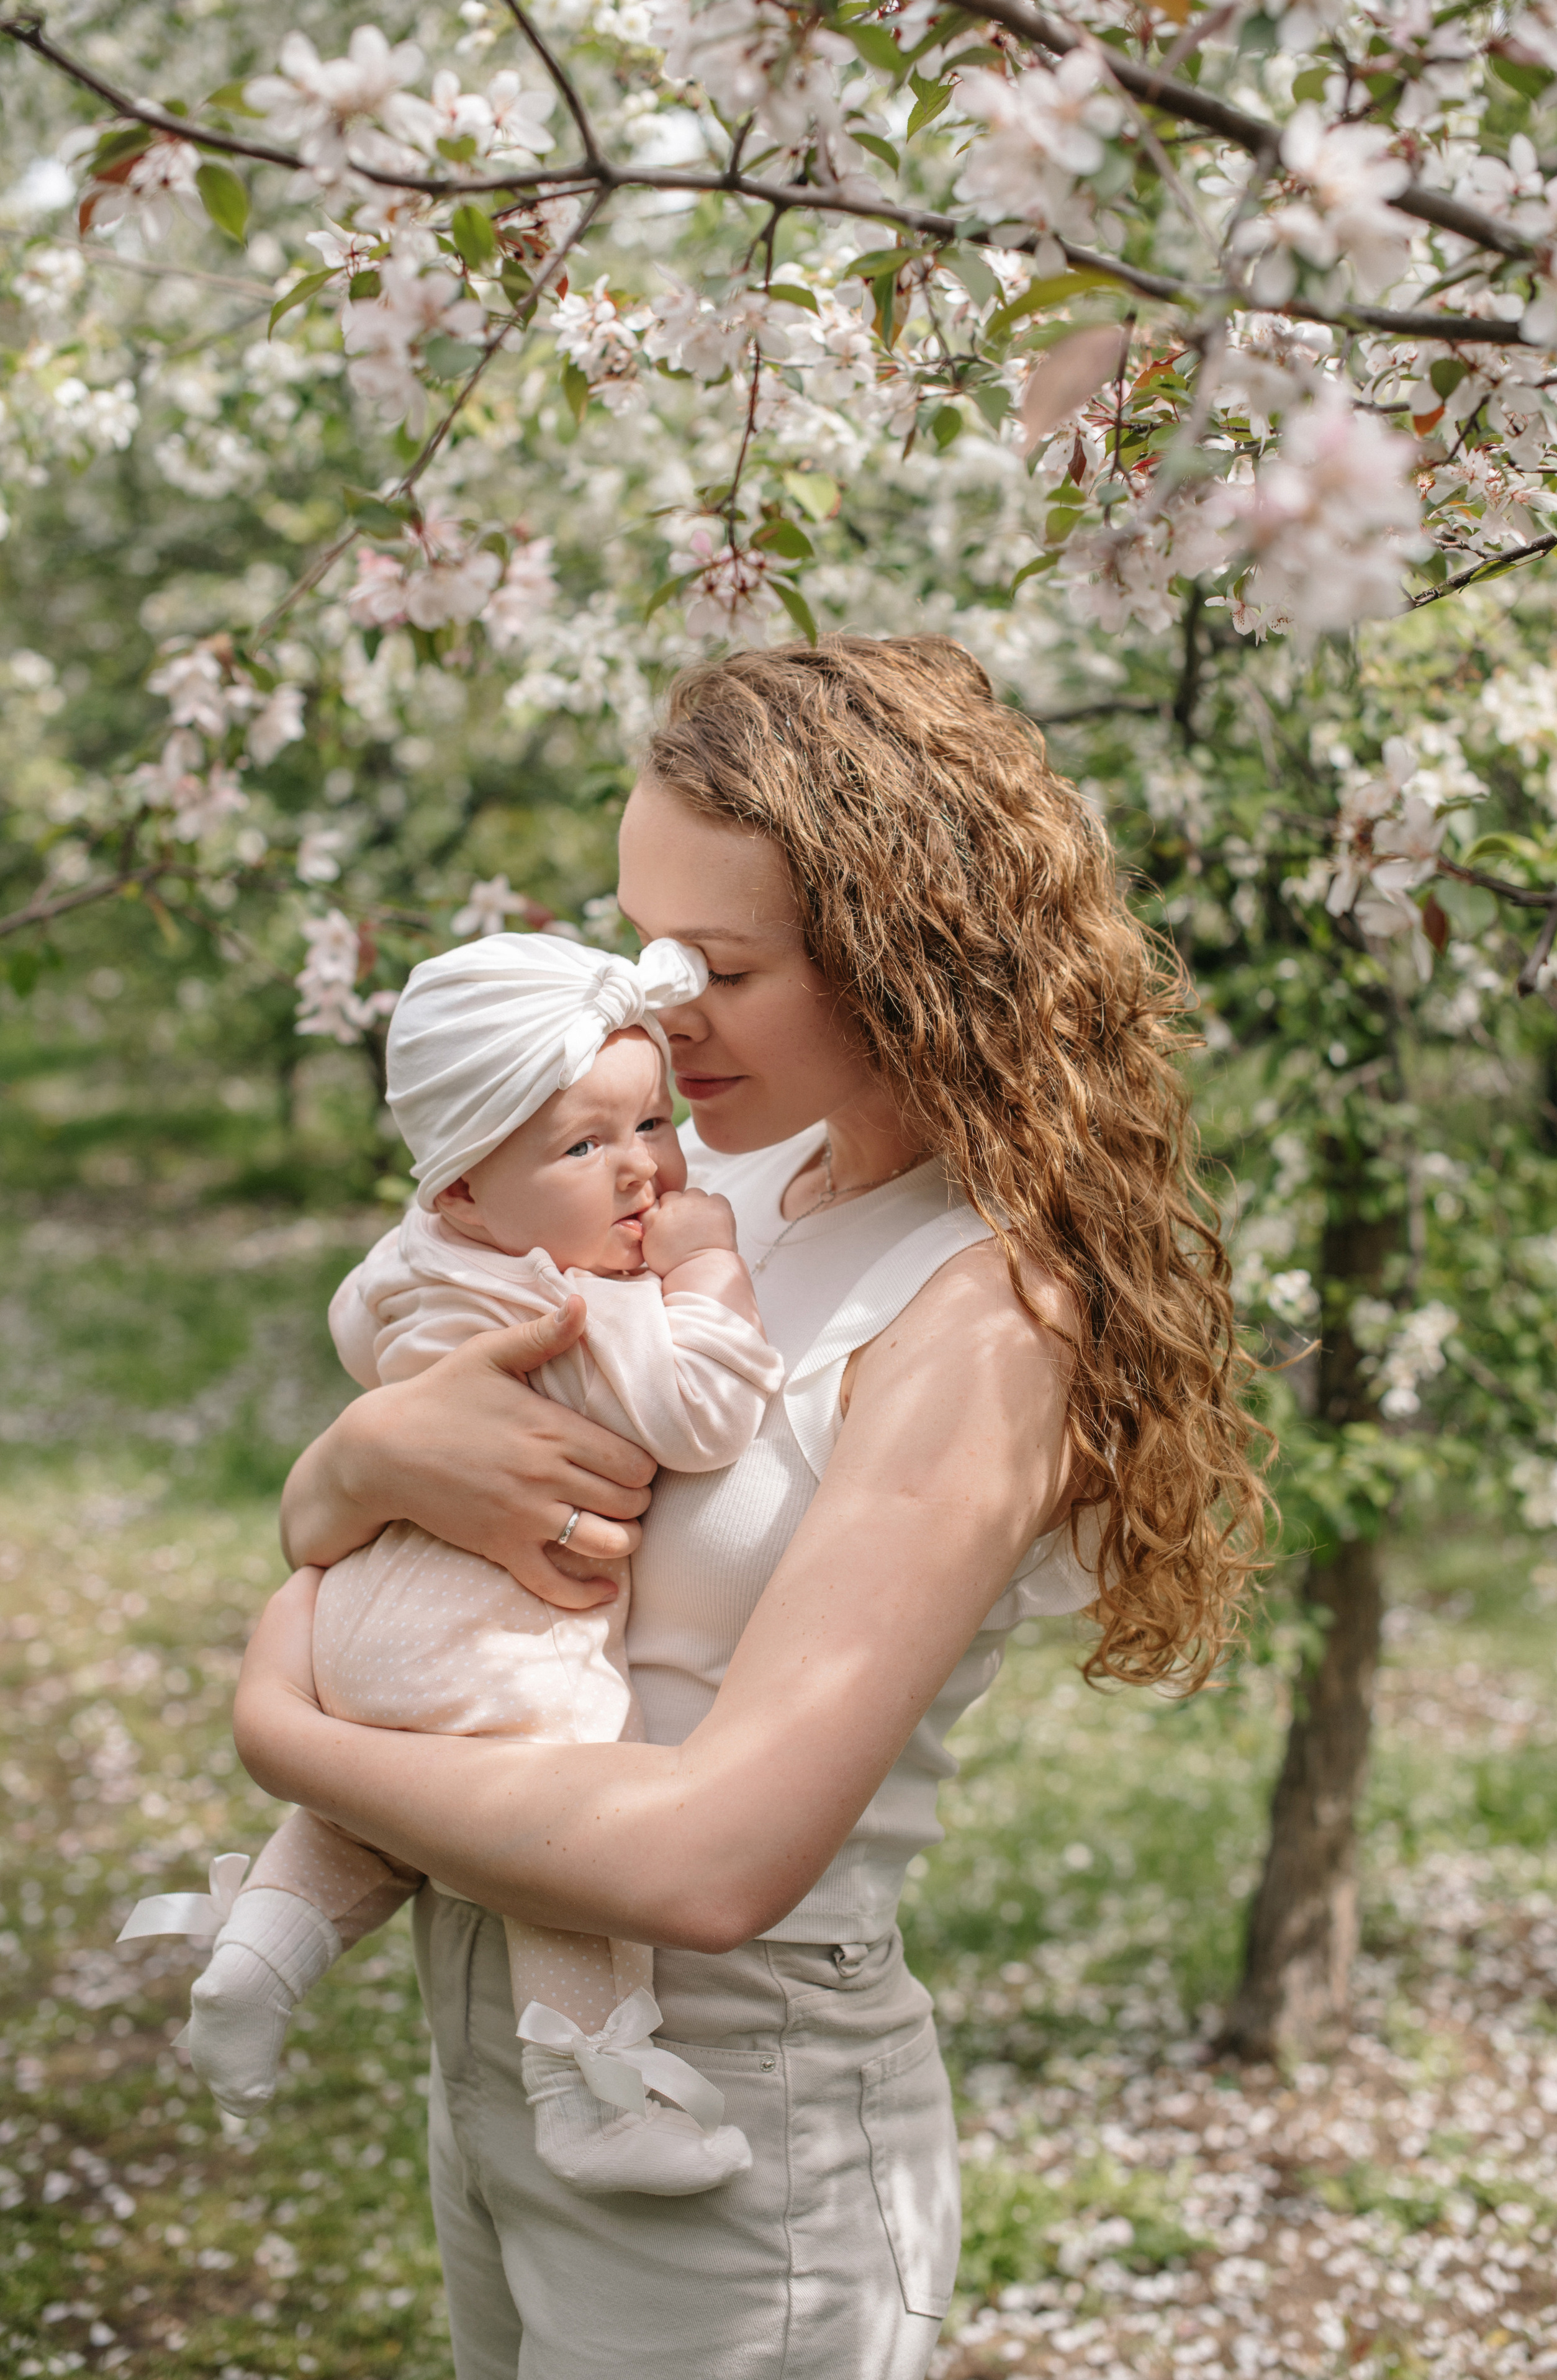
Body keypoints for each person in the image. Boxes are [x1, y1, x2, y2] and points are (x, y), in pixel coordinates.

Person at [234, 634, 1266, 2380]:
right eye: (643, 951)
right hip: (513, 2061)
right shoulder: (701, 1177)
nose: (658, 1013)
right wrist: (346, 1471)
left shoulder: (982, 1316)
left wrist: (286, 1735)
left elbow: (714, 1861)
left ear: (904, 954)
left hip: (736, 2134)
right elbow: (410, 1493)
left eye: (719, 965)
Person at [159, 932, 779, 2195]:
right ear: (464, 1196)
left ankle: (253, 1963)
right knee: (568, 1812)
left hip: (362, 1616)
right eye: (582, 1147)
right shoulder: (583, 1308)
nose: (642, 1170)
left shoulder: (421, 1259)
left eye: (649, 1123)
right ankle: (587, 2091)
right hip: (498, 1641)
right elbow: (708, 1414)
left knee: (367, 1820)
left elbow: (356, 1325)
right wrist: (707, 1272)